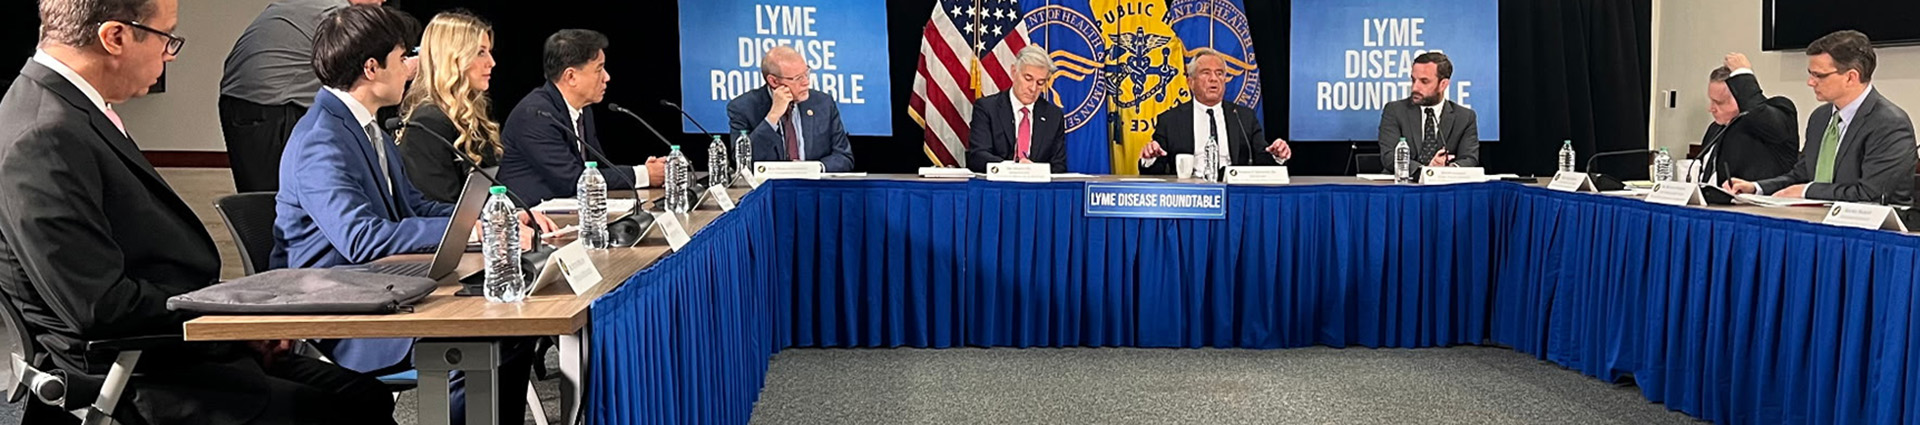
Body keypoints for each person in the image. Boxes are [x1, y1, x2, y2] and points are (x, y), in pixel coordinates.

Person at [0, 0, 395, 423]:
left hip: (167, 353)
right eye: (166, 37)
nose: (170, 53)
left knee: (365, 396)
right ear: (115, 37)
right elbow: (101, 307)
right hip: (135, 376)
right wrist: (232, 324)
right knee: (345, 411)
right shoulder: (44, 135)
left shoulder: (67, 112)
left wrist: (239, 324)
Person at [1724, 30, 1916, 205]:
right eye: (1810, 74)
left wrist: (1807, 191)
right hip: (1820, 224)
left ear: (1851, 77)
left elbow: (1871, 193)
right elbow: (1803, 174)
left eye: (1819, 75)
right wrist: (1757, 188)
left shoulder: (1890, 124)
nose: (1810, 82)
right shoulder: (1820, 117)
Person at [218, 0, 384, 193]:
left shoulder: (305, 4)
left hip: (237, 101)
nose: (383, 1)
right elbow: (366, 72)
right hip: (272, 106)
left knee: (260, 195)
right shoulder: (338, 16)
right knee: (281, 199)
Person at [499, 29, 664, 204]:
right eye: (599, 69)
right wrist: (643, 175)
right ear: (571, 76)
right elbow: (574, 181)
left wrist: (647, 170)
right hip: (531, 222)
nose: (607, 77)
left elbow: (597, 169)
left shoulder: (583, 109)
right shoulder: (536, 115)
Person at [397, 10, 502, 204]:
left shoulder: (470, 113)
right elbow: (438, 208)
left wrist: (515, 215)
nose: (491, 62)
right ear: (451, 58)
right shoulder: (428, 122)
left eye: (489, 51)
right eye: (480, 52)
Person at [1138, 48, 1291, 175]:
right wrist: (1150, 158)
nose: (1214, 79)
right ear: (1191, 82)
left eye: (1219, 73)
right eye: (1206, 73)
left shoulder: (1244, 117)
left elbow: (1261, 159)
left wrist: (1275, 155)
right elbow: (1155, 171)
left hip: (1233, 192)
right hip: (1191, 195)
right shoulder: (1170, 120)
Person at [726, 45, 857, 172]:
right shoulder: (743, 107)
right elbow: (742, 165)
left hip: (813, 188)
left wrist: (813, 169)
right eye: (798, 78)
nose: (806, 82)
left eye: (806, 73)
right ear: (773, 81)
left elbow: (844, 157)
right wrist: (773, 116)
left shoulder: (823, 103)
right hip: (769, 190)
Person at [1692, 53, 1798, 185]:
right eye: (1711, 101)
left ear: (1740, 97)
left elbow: (1757, 113)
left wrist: (1743, 74)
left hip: (1757, 202)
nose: (1711, 108)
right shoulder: (1715, 128)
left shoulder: (1780, 111)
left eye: (1719, 102)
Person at [967, 45, 1067, 173]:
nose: (1033, 88)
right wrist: (1014, 168)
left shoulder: (1053, 116)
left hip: (1037, 189)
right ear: (1014, 72)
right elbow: (978, 156)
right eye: (1028, 79)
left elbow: (1059, 166)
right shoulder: (987, 108)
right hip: (998, 187)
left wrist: (1035, 171)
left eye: (1040, 83)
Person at [1376, 52, 1478, 172]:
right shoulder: (1395, 111)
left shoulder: (1465, 117)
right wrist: (1427, 172)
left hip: (1444, 186)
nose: (1415, 88)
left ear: (1443, 84)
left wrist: (1447, 170)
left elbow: (1470, 159)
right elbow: (1389, 156)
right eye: (1413, 80)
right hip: (1404, 185)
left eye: (1424, 81)